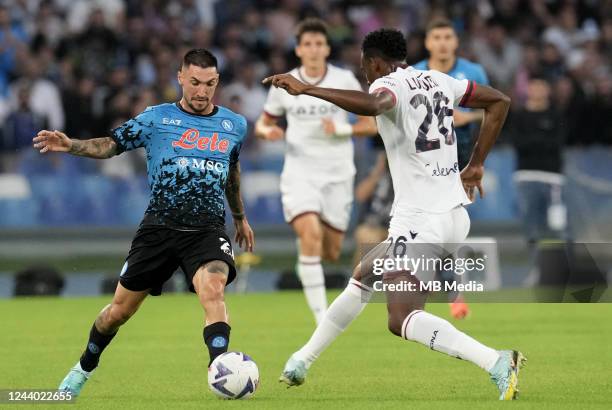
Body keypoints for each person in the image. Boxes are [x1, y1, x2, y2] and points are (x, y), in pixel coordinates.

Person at [265, 28, 525, 400]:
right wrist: (476, 164)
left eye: (364, 67)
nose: (366, 75)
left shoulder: (387, 85)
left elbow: (375, 105)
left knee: (401, 318)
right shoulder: (439, 80)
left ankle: (496, 360)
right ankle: (302, 360)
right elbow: (499, 100)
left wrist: (306, 88)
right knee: (363, 274)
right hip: (453, 216)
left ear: (373, 63)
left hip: (421, 219)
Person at [32, 49, 254, 397]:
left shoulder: (234, 125)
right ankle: (82, 369)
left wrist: (239, 217)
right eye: (194, 82)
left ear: (217, 83)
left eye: (209, 84)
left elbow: (232, 172)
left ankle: (220, 368)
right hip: (159, 229)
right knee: (117, 313)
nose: (201, 91)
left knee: (213, 290)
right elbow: (111, 145)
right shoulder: (157, 119)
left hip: (208, 230)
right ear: (180, 77)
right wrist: (71, 145)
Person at [255, 18, 377, 325]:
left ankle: (308, 253)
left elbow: (370, 123)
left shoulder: (343, 79)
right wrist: (265, 131)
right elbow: (263, 122)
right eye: (307, 44)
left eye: (318, 44)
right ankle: (323, 317)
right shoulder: (284, 83)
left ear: (326, 48)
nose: (313, 49)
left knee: (332, 251)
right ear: (298, 49)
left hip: (338, 174)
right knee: (309, 232)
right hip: (300, 172)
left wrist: (340, 128)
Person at [413, 18, 490, 319]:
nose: (443, 42)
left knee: (445, 224)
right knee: (435, 224)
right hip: (424, 160)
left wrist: (466, 118)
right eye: (437, 37)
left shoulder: (472, 72)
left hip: (461, 159)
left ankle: (443, 286)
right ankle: (450, 289)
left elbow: (492, 112)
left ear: (455, 42)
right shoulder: (415, 73)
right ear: (428, 43)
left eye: (448, 36)